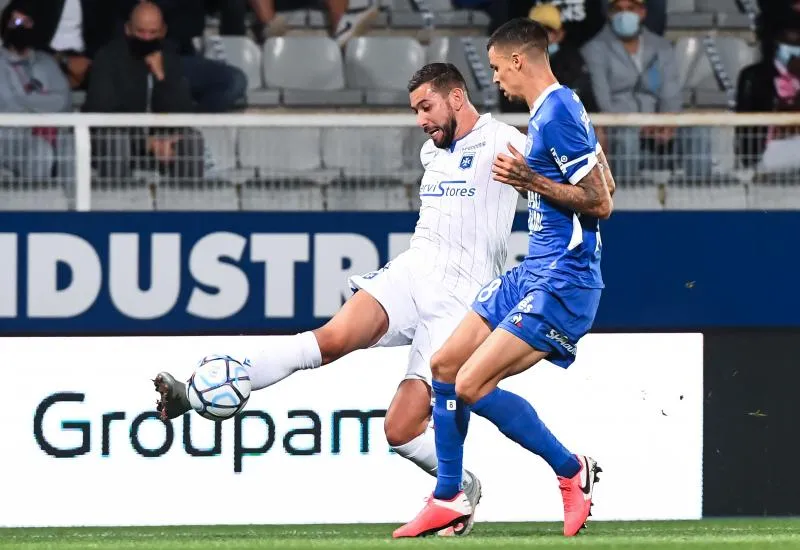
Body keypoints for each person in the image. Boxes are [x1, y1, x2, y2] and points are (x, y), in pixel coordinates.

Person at [153, 62, 527, 536]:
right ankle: (195, 391)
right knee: (326, 340)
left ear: (456, 98)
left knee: (401, 431)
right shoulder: (431, 153)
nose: (420, 120)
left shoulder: (505, 141)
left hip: (461, 303)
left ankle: (460, 485)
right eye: (414, 110)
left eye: (426, 107)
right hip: (412, 274)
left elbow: (569, 181)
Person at [393, 17, 615, 539]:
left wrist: (529, 179)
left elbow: (601, 203)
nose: (494, 80)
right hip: (532, 269)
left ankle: (570, 469)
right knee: (444, 364)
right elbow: (603, 179)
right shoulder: (555, 109)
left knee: (468, 383)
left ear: (519, 60)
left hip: (564, 277)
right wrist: (539, 181)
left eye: (496, 68)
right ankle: (448, 495)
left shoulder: (558, 110)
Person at [84, 1, 204, 182]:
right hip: (118, 140)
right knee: (114, 138)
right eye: (140, 31)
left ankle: (186, 201)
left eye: (153, 32)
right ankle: (119, 201)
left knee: (191, 139)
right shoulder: (108, 58)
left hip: (159, 141)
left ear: (162, 31)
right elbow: (101, 110)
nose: (147, 38)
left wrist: (161, 77)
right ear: (128, 29)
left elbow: (183, 110)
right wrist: (145, 141)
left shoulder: (170, 58)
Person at [0, 6, 73, 181]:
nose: (21, 27)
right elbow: (10, 105)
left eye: (27, 22)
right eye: (16, 22)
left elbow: (64, 102)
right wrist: (44, 103)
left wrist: (27, 99)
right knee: (40, 151)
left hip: (53, 133)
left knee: (74, 147)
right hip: (10, 138)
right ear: (5, 27)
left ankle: (74, 206)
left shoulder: (46, 62)